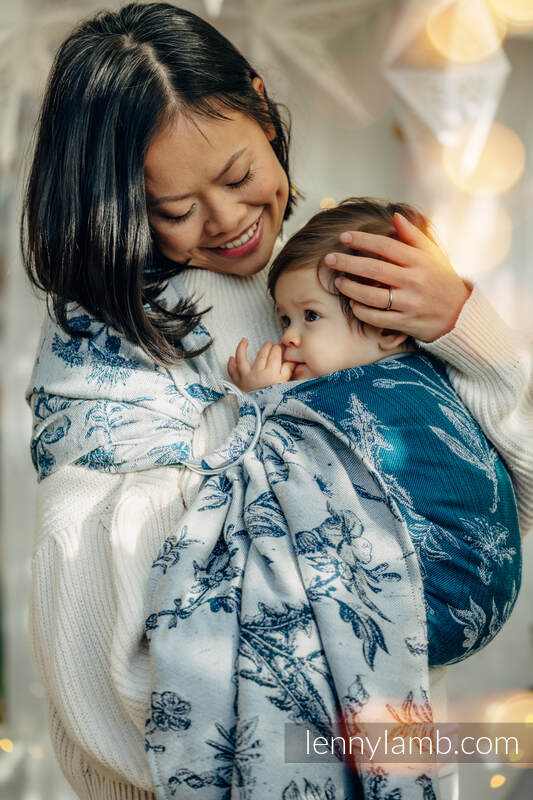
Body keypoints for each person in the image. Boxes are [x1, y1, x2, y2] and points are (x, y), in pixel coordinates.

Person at [21, 4, 532, 799]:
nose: (228, 223)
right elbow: (105, 640)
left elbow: (506, 498)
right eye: (174, 210)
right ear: (119, 202)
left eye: (237, 176)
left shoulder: (335, 263)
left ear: (262, 107)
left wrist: (463, 325)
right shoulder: (106, 353)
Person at [228, 196, 521, 668]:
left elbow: (281, 464)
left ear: (388, 329)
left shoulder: (357, 393)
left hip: (429, 599)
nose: (287, 337)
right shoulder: (430, 375)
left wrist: (261, 401)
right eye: (284, 319)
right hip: (486, 598)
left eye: (310, 316)